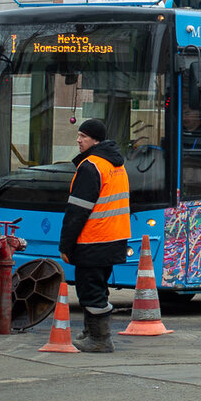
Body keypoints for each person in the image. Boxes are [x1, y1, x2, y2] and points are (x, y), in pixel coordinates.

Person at [59, 118, 130, 354]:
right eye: (78, 135)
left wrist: (66, 245)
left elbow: (77, 211)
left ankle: (100, 339)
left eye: (83, 136)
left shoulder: (91, 166)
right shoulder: (116, 165)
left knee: (90, 289)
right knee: (98, 286)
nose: (78, 140)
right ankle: (91, 332)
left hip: (94, 239)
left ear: (96, 141)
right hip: (114, 238)